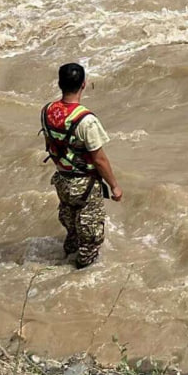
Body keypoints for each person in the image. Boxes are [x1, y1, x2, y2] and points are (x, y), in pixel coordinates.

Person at [40, 63, 122, 269]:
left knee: (72, 222)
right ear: (83, 84)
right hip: (84, 184)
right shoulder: (86, 121)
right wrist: (114, 186)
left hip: (62, 180)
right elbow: (100, 159)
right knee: (91, 236)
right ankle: (79, 271)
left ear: (59, 84)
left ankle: (67, 254)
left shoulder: (47, 111)